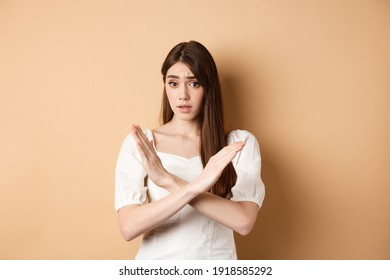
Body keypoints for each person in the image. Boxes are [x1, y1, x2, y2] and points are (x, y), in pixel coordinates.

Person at [115, 41, 265, 259]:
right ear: (165, 86)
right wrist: (200, 183)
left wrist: (168, 180)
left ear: (208, 88)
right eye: (173, 83)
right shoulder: (143, 143)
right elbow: (128, 227)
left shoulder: (237, 145)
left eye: (194, 84)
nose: (183, 95)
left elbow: (243, 222)